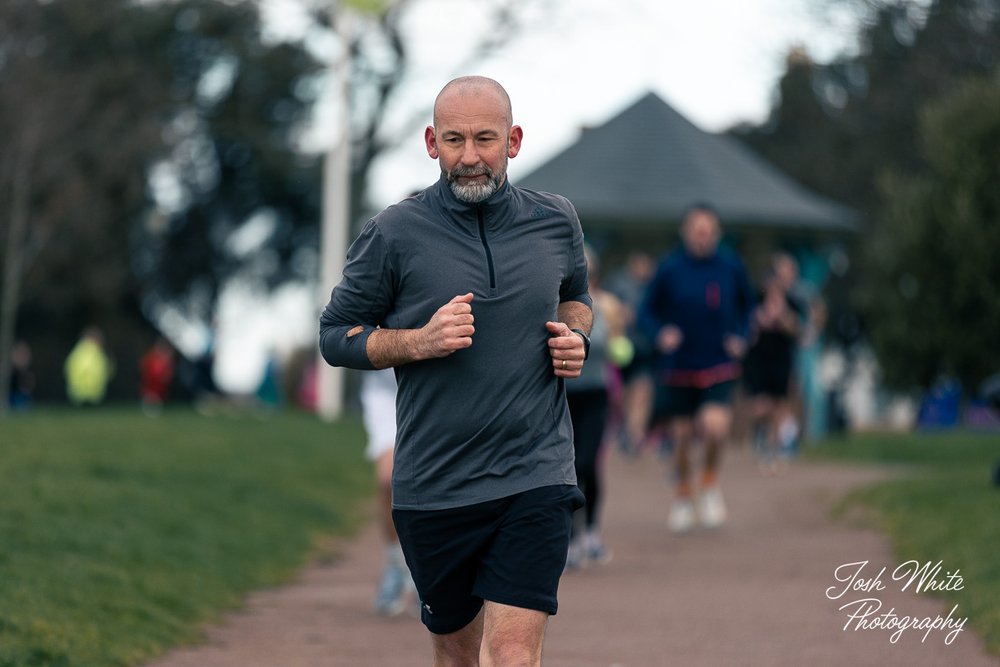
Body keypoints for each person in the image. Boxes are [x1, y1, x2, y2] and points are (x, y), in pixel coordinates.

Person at [319, 76, 592, 666]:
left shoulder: (556, 221)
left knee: (513, 656)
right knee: (458, 655)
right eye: (454, 139)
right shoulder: (393, 233)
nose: (470, 156)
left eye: (486, 139)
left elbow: (575, 298)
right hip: (436, 486)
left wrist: (578, 338)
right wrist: (419, 340)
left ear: (514, 141)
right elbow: (334, 336)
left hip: (534, 472)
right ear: (430, 142)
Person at [639, 204, 753, 533]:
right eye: (696, 229)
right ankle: (683, 495)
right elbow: (647, 310)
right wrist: (660, 333)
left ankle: (710, 481)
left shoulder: (731, 266)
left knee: (716, 426)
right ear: (686, 231)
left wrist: (742, 336)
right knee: (683, 435)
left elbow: (749, 308)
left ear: (716, 233)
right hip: (679, 365)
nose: (702, 235)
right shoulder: (670, 268)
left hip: (718, 360)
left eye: (708, 230)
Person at [565, 246, 626, 570]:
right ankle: (572, 538)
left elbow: (621, 349)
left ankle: (591, 532)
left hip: (597, 393)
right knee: (569, 467)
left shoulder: (608, 305)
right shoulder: (556, 303)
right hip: (562, 395)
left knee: (588, 463)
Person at [360, 366, 417, 616]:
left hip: (440, 382)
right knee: (387, 478)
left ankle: (428, 574)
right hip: (387, 389)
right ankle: (396, 563)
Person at [743, 255, 807, 474]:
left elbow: (798, 330)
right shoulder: (754, 299)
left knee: (779, 405)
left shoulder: (794, 302)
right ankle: (759, 435)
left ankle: (772, 449)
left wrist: (783, 318)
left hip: (781, 357)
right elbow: (744, 325)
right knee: (761, 406)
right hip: (758, 358)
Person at [604, 251, 656, 455]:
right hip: (620, 349)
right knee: (622, 395)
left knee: (642, 392)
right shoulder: (618, 283)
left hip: (644, 349)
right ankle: (624, 431)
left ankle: (635, 435)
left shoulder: (652, 287)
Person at [64, 326, 115, 406]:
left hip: (77, 394)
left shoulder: (77, 352)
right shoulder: (94, 354)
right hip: (90, 395)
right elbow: (104, 371)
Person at [140, 337, 175, 415]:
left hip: (160, 390)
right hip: (151, 389)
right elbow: (146, 370)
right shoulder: (151, 358)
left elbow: (168, 374)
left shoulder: (167, 361)